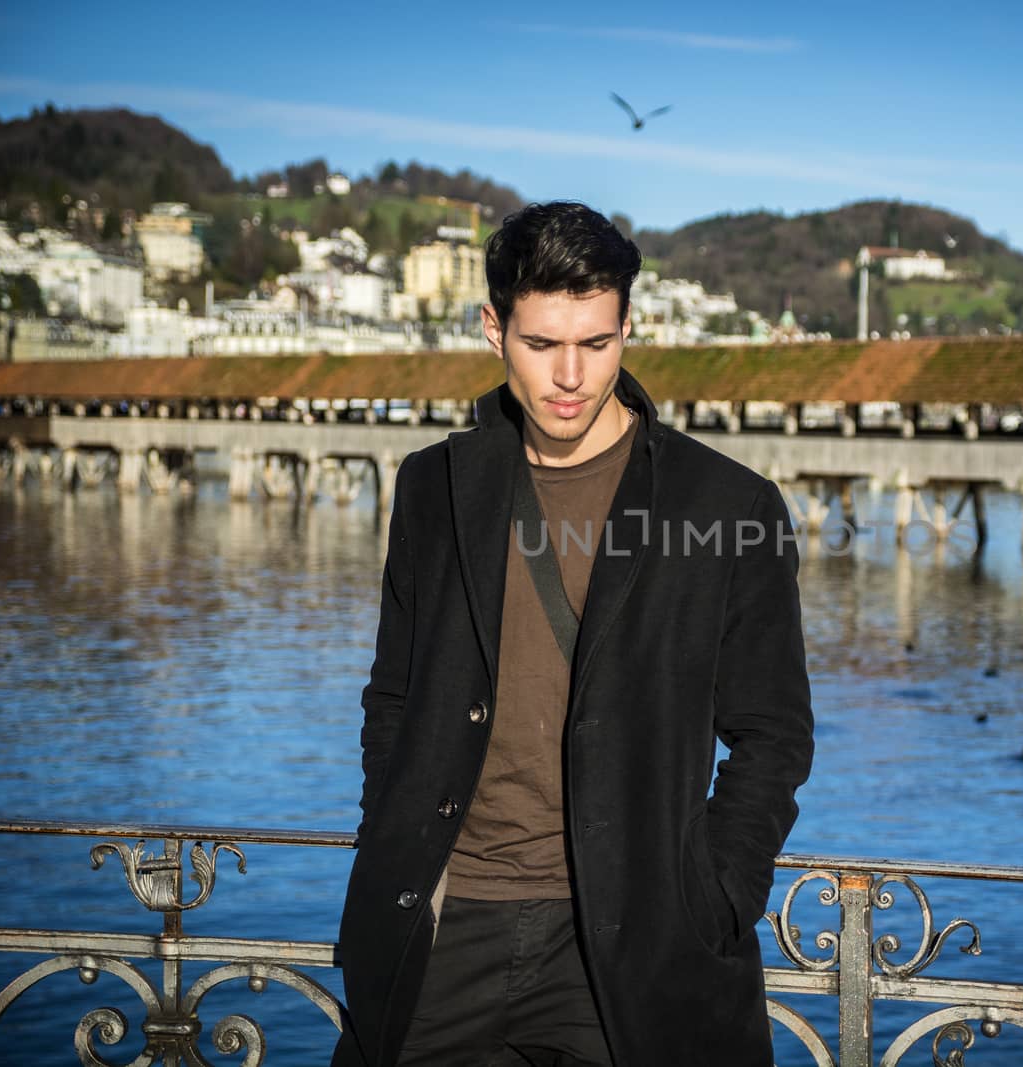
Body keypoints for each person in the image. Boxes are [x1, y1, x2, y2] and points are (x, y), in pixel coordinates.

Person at [331, 201, 815, 1067]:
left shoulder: (729, 508)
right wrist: (390, 842)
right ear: (492, 329)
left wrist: (716, 891)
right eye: (541, 343)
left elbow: (773, 733)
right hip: (445, 922)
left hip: (631, 937)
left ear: (629, 327)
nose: (570, 376)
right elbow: (394, 694)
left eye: (596, 344)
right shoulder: (433, 486)